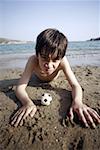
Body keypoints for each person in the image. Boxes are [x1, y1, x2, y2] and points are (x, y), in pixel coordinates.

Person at [11, 28, 100, 127]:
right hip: (36, 78)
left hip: (54, 78)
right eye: (44, 58)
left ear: (61, 58)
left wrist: (78, 102)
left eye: (55, 60)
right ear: (37, 54)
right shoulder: (33, 60)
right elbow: (20, 87)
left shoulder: (63, 61)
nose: (49, 65)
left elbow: (75, 85)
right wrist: (27, 102)